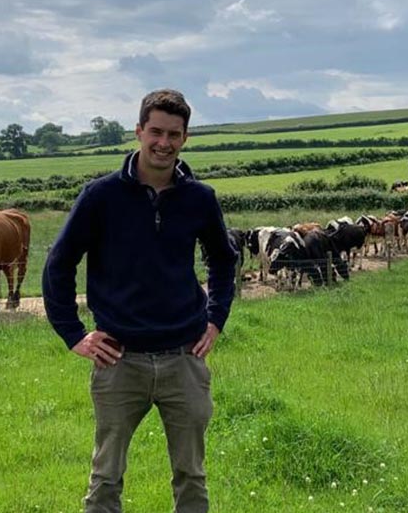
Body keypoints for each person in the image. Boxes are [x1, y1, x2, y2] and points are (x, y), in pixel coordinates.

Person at [43, 89, 238, 513]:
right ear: (138, 131)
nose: (163, 143)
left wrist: (216, 318)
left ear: (185, 138)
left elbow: (224, 259)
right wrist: (73, 334)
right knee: (106, 477)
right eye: (155, 132)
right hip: (119, 359)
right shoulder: (101, 196)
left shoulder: (200, 199)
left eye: (174, 134)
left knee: (191, 476)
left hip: (184, 357)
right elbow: (59, 264)